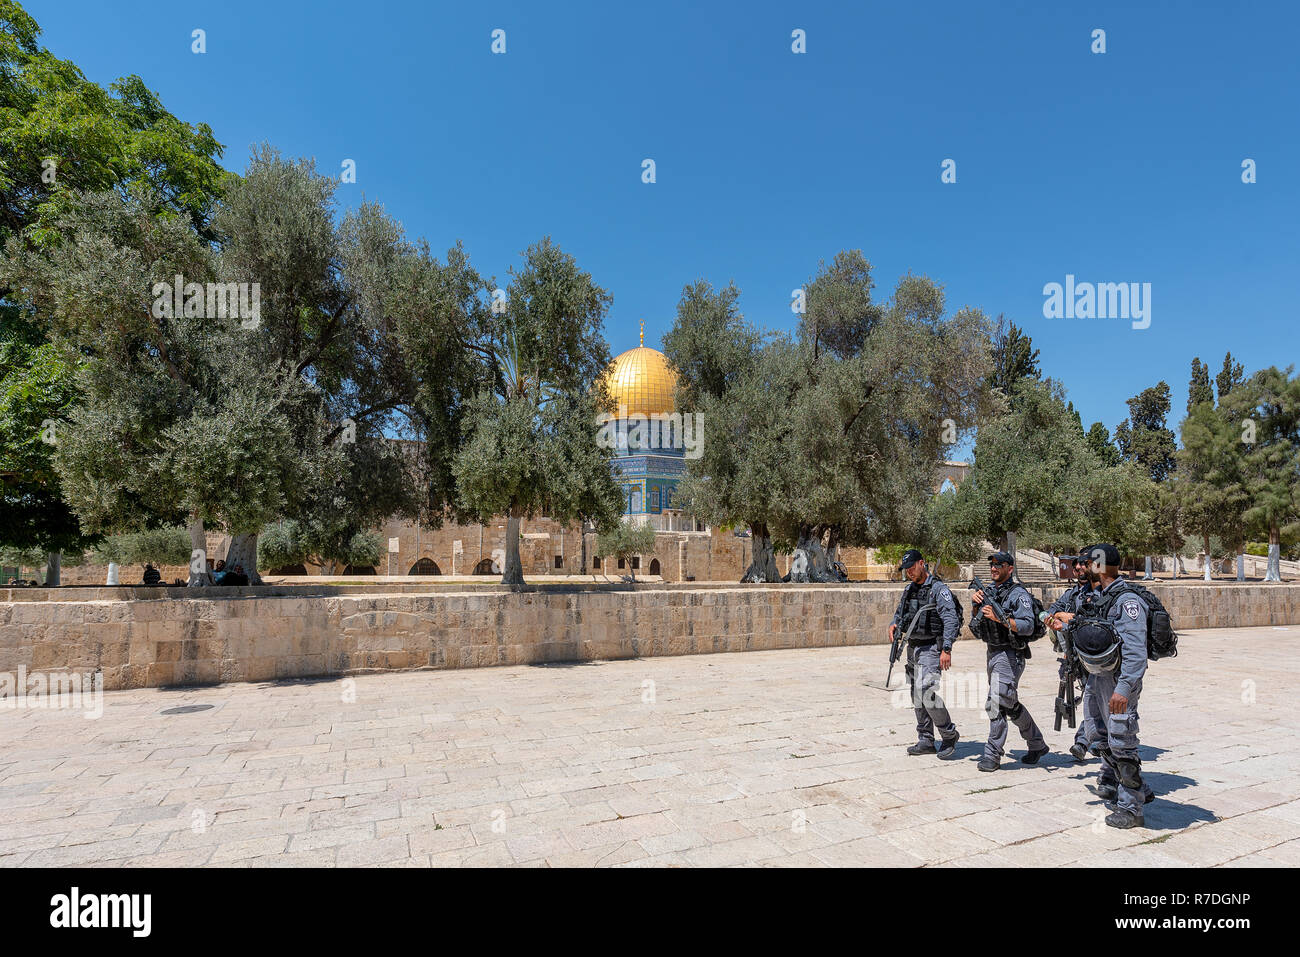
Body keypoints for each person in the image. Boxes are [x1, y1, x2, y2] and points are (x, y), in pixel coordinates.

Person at [1053, 543, 1155, 829]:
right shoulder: (1100, 597)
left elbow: (1136, 653)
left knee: (1122, 742)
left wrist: (1124, 688)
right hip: (1097, 678)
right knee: (1097, 735)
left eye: (1088, 562)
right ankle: (1139, 788)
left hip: (1118, 681)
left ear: (1100, 565)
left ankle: (1131, 808)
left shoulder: (1127, 602)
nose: (1082, 567)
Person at [970, 551, 1049, 771]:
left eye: (999, 565)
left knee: (994, 703)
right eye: (992, 565)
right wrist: (976, 605)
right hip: (993, 653)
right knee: (1009, 704)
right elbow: (975, 627)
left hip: (1010, 654)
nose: (994, 568)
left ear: (1010, 569)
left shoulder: (1018, 594)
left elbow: (1028, 625)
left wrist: (1001, 619)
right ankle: (1037, 744)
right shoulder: (990, 592)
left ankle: (992, 755)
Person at [888, 549, 961, 758]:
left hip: (931, 647)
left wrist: (947, 649)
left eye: (912, 567)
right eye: (907, 570)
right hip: (913, 647)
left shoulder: (938, 589)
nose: (909, 572)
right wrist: (894, 625)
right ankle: (926, 740)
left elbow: (950, 619)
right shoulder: (909, 590)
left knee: (926, 691)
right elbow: (900, 613)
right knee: (915, 694)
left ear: (922, 563)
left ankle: (948, 735)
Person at [1044, 549, 1095, 762]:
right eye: (1076, 566)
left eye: (1083, 564)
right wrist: (1062, 615)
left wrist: (1070, 617)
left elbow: (1092, 616)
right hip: (1073, 655)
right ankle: (1092, 738)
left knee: (1094, 698)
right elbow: (1053, 610)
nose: (1079, 569)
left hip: (1094, 654)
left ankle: (1083, 741)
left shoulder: (1100, 591)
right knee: (1090, 698)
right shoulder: (1071, 593)